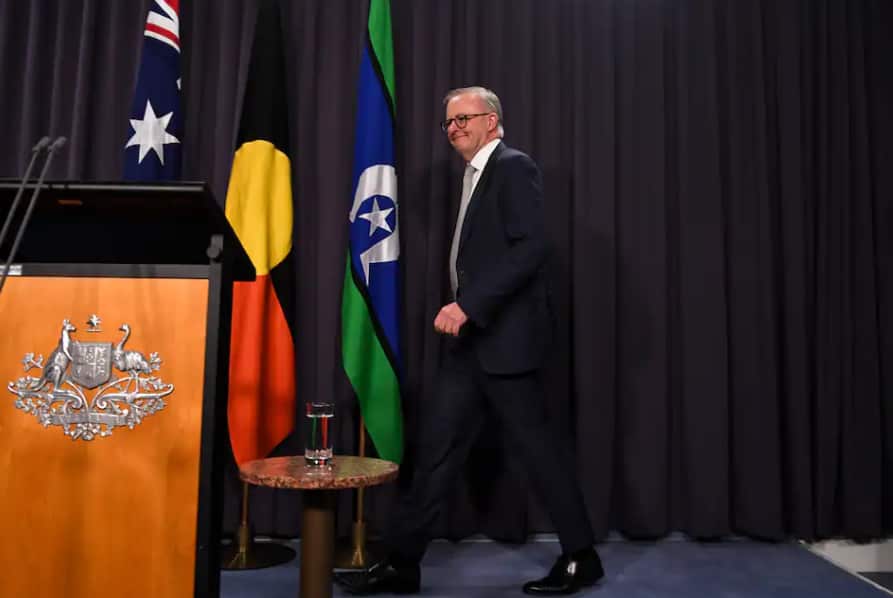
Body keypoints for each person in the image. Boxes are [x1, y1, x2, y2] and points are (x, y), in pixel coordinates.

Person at [337, 86, 604, 596]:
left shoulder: (513, 167)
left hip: (507, 343)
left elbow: (531, 249)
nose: (455, 128)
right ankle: (402, 564)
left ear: (492, 122)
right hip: (471, 348)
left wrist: (469, 305)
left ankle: (581, 557)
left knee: (540, 454)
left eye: (465, 118)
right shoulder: (474, 175)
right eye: (449, 122)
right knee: (435, 453)